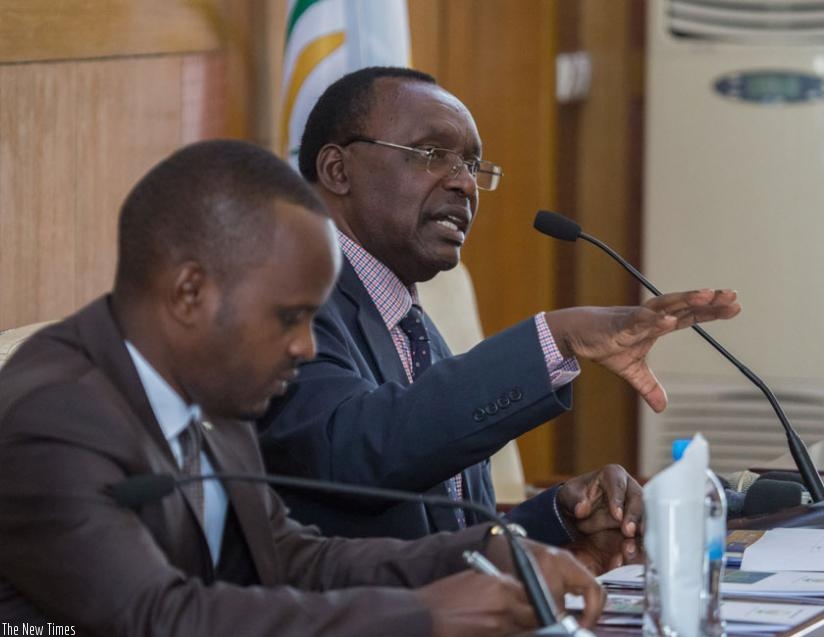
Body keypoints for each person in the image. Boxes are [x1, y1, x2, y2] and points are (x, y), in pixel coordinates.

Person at [0, 140, 606, 636]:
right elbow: (161, 619)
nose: (307, 347)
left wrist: (488, 548)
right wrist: (425, 615)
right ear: (190, 293)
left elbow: (290, 558)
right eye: (289, 317)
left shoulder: (212, 384)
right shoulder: (54, 418)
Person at [258, 66, 741, 543]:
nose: (465, 185)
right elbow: (351, 453)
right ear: (338, 170)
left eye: (472, 166)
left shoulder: (412, 328)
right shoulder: (283, 300)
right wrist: (554, 337)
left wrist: (562, 521)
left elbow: (453, 535)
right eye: (432, 154)